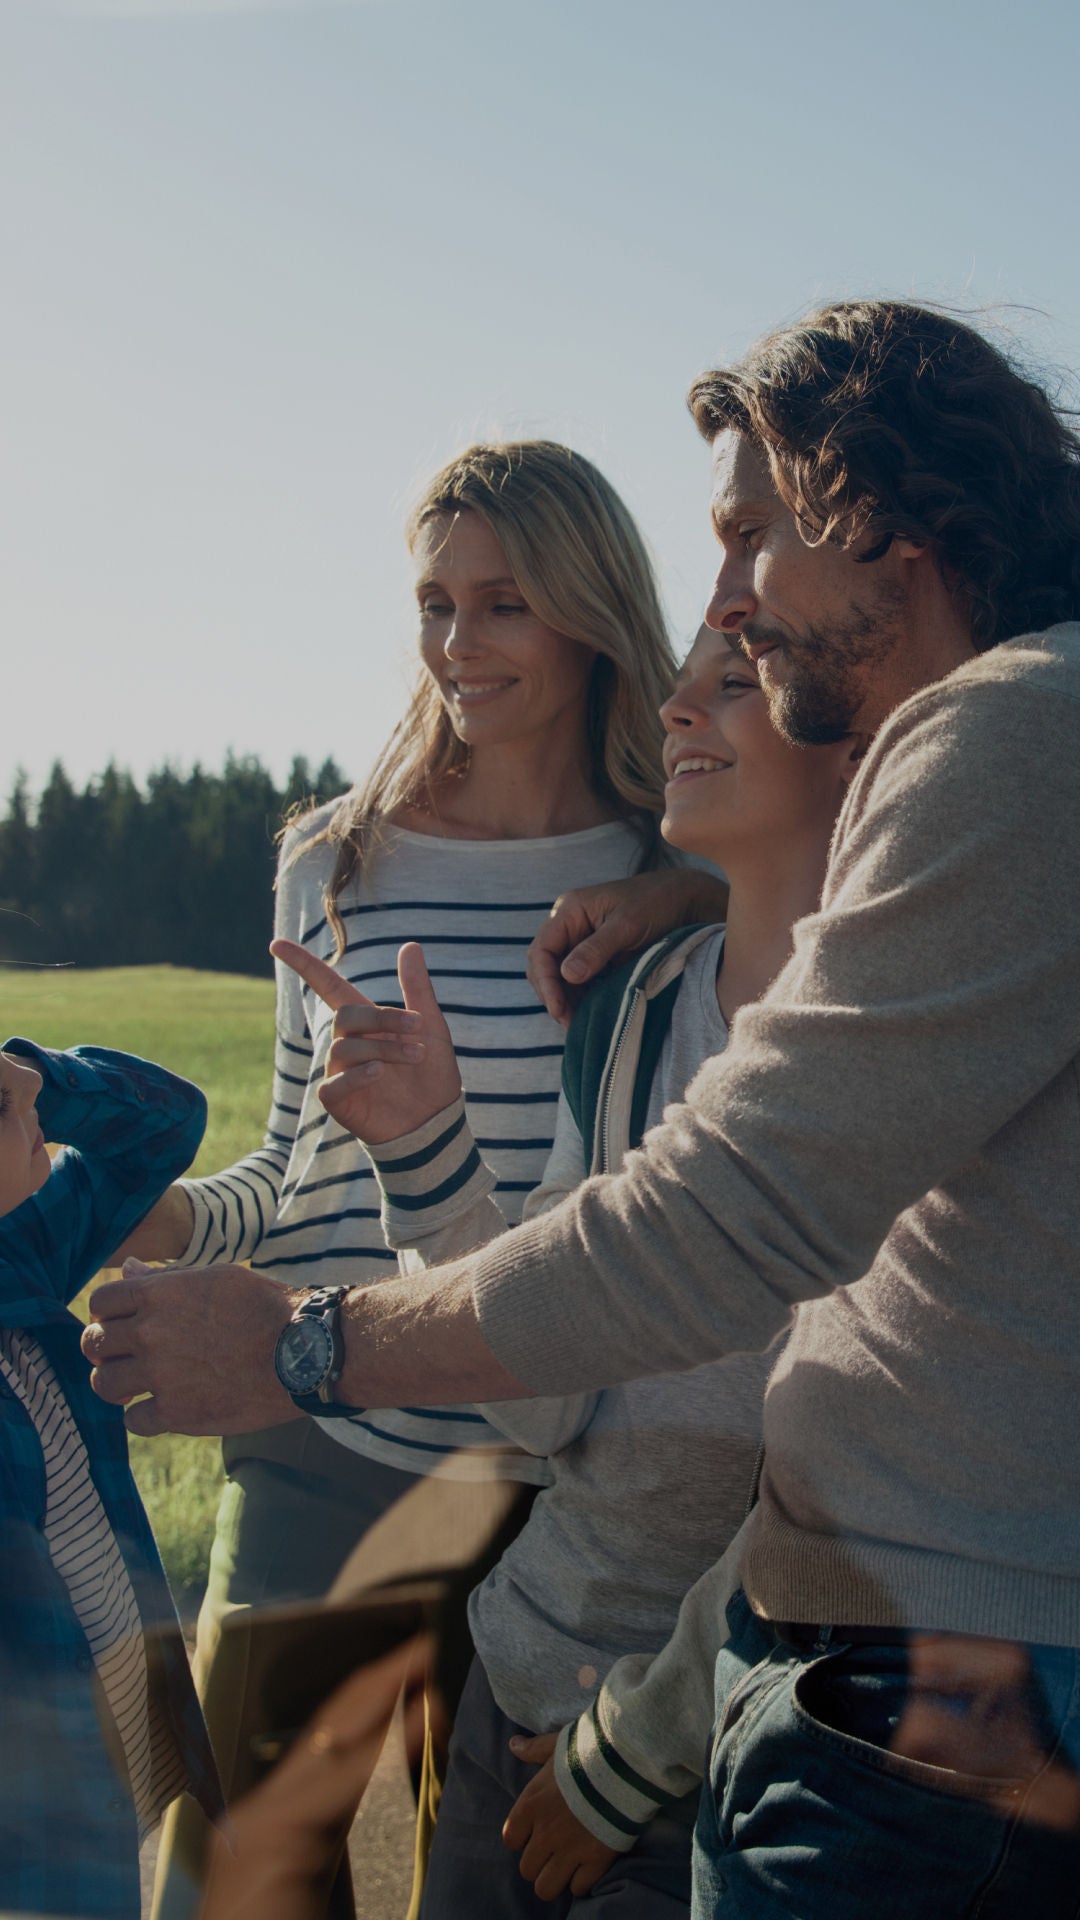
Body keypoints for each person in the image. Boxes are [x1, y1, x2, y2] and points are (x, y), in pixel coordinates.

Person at [86, 299, 1080, 1915]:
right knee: (247, 1868)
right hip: (648, 1600)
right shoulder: (414, 891)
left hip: (860, 1654)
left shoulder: (987, 737)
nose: (733, 611)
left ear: (892, 529)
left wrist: (297, 1338)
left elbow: (724, 1224)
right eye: (432, 603)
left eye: (754, 539)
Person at [118, 438, 725, 1919]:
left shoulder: (684, 858)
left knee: (473, 1889)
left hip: (556, 1498)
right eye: (435, 604)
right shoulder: (336, 859)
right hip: (318, 1427)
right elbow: (288, 1162)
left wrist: (690, 887)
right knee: (237, 1880)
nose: (459, 644)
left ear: (589, 611)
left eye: (504, 604)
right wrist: (161, 1213)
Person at [270, 621, 864, 1915]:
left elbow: (860, 1485)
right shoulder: (627, 1012)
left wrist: (633, 1751)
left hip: (729, 1754)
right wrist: (425, 1144)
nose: (679, 709)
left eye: (737, 681)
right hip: (513, 1688)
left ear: (862, 736)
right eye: (683, 681)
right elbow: (549, 1399)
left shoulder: (901, 1057)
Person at [0, 1035, 221, 1920]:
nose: (36, 1128)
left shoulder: (21, 1251)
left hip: (101, 1785)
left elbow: (167, 1125)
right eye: (3, 1112)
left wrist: (42, 1082)